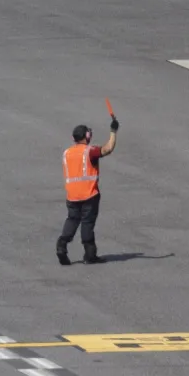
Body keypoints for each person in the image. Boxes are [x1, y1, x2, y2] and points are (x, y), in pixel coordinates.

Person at [57, 113, 118, 266]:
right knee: (87, 223)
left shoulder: (67, 153)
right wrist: (113, 131)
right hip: (89, 195)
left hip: (72, 195)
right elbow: (108, 148)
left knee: (72, 220)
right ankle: (90, 255)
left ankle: (61, 245)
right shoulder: (89, 152)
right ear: (87, 136)